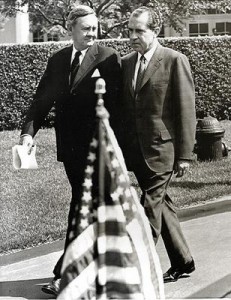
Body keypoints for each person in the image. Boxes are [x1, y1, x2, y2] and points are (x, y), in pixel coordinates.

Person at [18, 5, 121, 296]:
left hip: (100, 150)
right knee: (89, 208)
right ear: (70, 29)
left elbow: (121, 108)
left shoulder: (109, 58)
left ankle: (67, 274)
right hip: (71, 151)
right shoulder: (59, 60)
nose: (92, 32)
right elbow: (41, 102)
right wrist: (28, 134)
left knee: (81, 207)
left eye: (94, 27)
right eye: (86, 28)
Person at [120, 6, 196, 283]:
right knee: (162, 204)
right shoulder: (126, 62)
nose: (133, 36)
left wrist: (185, 155)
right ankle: (183, 261)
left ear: (155, 31)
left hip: (163, 150)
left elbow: (186, 110)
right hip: (136, 151)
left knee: (149, 206)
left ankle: (140, 268)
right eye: (130, 30)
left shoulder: (175, 60)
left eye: (139, 30)